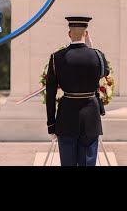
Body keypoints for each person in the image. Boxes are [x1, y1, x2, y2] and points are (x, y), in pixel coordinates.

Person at [45, 16, 109, 166]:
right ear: (86, 34)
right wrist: (92, 49)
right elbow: (104, 72)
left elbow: (51, 94)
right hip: (91, 118)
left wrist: (51, 125)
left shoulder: (56, 58)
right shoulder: (98, 56)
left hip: (66, 118)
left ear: (69, 34)